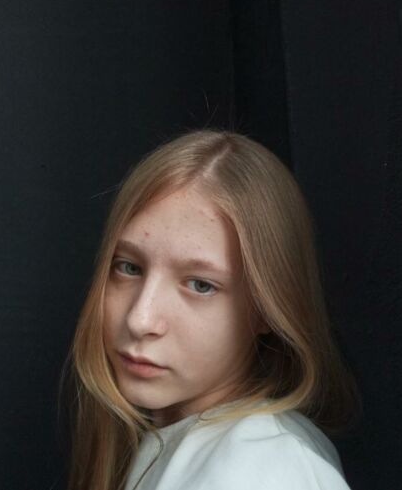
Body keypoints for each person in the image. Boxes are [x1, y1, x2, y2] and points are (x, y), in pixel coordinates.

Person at [59, 128, 360, 490]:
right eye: (129, 267)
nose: (140, 319)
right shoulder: (189, 444)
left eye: (201, 285)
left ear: (267, 307)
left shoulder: (261, 471)